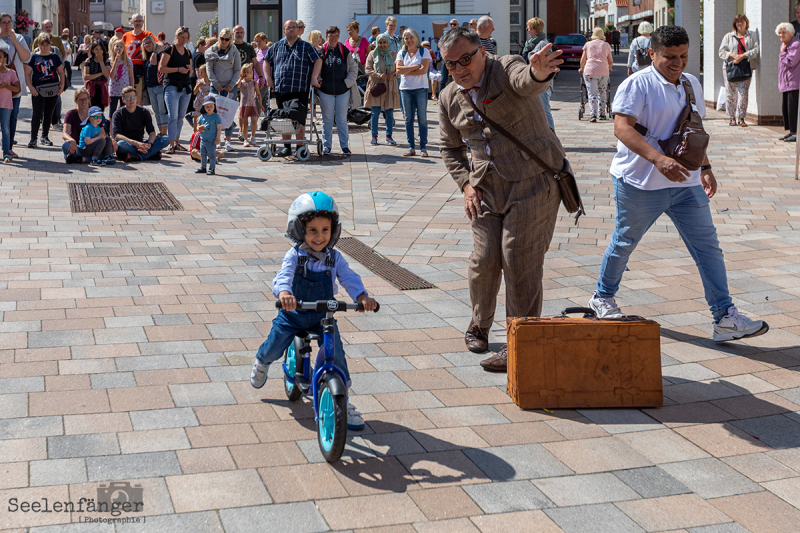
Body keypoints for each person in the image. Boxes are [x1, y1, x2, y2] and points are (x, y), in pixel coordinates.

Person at [588, 25, 768, 345]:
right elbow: (622, 128)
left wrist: (706, 168)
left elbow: (692, 129)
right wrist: (658, 159)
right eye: (670, 56)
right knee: (625, 241)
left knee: (707, 248)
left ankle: (725, 317)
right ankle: (602, 297)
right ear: (652, 53)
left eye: (684, 55)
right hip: (639, 183)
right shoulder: (637, 84)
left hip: (686, 183)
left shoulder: (691, 83)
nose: (678, 62)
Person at [437, 26, 565, 371]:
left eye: (466, 58)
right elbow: (450, 149)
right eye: (451, 64)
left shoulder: (505, 67)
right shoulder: (449, 96)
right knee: (484, 259)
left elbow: (528, 79)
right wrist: (466, 185)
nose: (460, 68)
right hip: (485, 188)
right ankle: (479, 323)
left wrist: (539, 71)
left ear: (482, 51)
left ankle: (519, 341)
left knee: (518, 258)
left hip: (532, 181)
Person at [249, 190, 377, 431]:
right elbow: (283, 276)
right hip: (293, 314)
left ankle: (344, 400)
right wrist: (284, 294)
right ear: (300, 230)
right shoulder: (294, 256)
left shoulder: (334, 258)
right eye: (313, 231)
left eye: (325, 230)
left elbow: (349, 277)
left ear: (334, 230)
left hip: (322, 317)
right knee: (276, 343)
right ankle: (262, 361)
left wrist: (361, 296)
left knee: (336, 353)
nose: (319, 237)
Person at [263, 20, 322, 157]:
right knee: (284, 119)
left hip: (300, 88)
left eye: (294, 27)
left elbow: (318, 60)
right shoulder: (276, 46)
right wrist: (269, 79)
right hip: (281, 88)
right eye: (288, 28)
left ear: (297, 30)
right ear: (284, 31)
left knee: (299, 118)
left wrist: (314, 78)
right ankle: (287, 147)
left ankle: (300, 146)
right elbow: (266, 61)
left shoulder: (306, 46)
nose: (291, 30)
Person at [318, 26, 358, 156]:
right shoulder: (321, 51)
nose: (333, 39)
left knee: (341, 119)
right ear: (326, 36)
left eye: (335, 36)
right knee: (327, 119)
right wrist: (319, 81)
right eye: (331, 36)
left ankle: (344, 146)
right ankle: (327, 146)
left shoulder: (344, 51)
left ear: (339, 37)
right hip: (325, 91)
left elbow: (353, 68)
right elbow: (315, 69)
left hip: (343, 90)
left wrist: (347, 83)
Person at [719, 15, 760, 127]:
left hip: (746, 67)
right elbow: (721, 52)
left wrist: (742, 56)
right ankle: (732, 118)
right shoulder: (729, 36)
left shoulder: (752, 35)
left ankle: (741, 118)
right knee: (730, 94)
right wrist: (733, 55)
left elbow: (756, 50)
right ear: (734, 24)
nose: (740, 24)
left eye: (742, 21)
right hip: (730, 67)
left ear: (746, 22)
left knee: (743, 94)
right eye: (737, 22)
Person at [24, 33, 64, 148]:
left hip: (53, 89)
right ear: (38, 45)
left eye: (47, 45)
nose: (45, 47)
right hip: (38, 90)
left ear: (50, 45)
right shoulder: (34, 57)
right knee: (37, 114)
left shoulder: (54, 56)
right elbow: (27, 73)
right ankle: (33, 139)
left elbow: (61, 71)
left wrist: (61, 85)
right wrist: (31, 87)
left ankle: (45, 136)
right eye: (42, 45)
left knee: (49, 114)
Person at [205, 27, 241, 152]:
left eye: (227, 39)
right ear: (219, 38)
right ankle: (216, 140)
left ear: (230, 39)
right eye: (222, 39)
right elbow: (209, 69)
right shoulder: (211, 51)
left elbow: (237, 70)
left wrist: (232, 84)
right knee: (214, 113)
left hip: (230, 87)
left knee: (228, 113)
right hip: (216, 87)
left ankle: (228, 141)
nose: (224, 41)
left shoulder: (234, 51)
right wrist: (215, 83)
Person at [112, 85, 170, 161]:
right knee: (121, 144)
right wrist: (136, 143)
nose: (131, 100)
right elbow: (117, 136)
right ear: (123, 100)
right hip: (128, 144)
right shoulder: (118, 114)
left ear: (136, 98)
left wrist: (149, 144)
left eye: (133, 97)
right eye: (128, 98)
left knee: (166, 138)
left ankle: (139, 157)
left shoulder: (144, 112)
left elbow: (152, 133)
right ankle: (150, 154)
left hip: (142, 144)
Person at [397, 29, 431, 157]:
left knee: (422, 118)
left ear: (416, 38)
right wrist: (415, 66)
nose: (409, 40)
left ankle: (423, 147)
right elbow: (398, 70)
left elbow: (423, 71)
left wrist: (406, 70)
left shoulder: (424, 51)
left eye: (411, 37)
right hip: (405, 88)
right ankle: (411, 147)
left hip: (420, 88)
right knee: (408, 119)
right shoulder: (402, 52)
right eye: (406, 38)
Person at [159, 27, 193, 154]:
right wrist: (178, 69)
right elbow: (161, 68)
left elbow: (191, 71)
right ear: (176, 36)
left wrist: (190, 70)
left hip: (185, 86)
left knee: (180, 117)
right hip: (172, 86)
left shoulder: (188, 51)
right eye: (181, 37)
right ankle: (171, 144)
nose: (183, 40)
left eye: (186, 38)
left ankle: (177, 142)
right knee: (172, 116)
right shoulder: (169, 49)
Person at [0, 13, 29, 158]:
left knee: (12, 117)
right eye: (4, 22)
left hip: (14, 83)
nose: (7, 25)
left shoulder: (19, 38)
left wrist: (14, 41)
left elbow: (26, 57)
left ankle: (8, 147)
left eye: (9, 22)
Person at [63, 88, 115, 163]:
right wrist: (72, 141)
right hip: (78, 147)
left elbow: (102, 133)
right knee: (65, 146)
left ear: (89, 99)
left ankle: (81, 159)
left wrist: (111, 139)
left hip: (95, 146)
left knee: (109, 147)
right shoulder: (70, 114)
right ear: (75, 101)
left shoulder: (95, 113)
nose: (83, 102)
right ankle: (96, 159)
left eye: (85, 99)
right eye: (80, 99)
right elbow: (65, 133)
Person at [364, 34, 399, 146]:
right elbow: (368, 69)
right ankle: (374, 136)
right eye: (380, 43)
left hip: (390, 86)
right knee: (375, 112)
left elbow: (399, 70)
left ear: (388, 43)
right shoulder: (372, 54)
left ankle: (389, 136)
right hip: (377, 85)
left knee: (389, 112)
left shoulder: (394, 55)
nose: (382, 45)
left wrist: (393, 76)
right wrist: (378, 75)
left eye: (384, 42)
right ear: (377, 43)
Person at [233, 24, 265, 141]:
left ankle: (242, 131)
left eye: (241, 32)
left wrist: (260, 76)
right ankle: (236, 129)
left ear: (244, 33)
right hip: (233, 80)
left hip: (246, 80)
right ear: (233, 34)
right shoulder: (230, 46)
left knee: (244, 106)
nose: (239, 34)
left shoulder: (248, 47)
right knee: (236, 107)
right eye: (237, 32)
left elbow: (255, 63)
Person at [523, 18, 555, 130]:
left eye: (528, 28)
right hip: (534, 83)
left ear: (532, 29)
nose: (527, 30)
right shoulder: (533, 43)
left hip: (542, 84)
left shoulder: (542, 44)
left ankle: (552, 136)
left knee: (545, 111)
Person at [579, 27, 613, 123]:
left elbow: (583, 60)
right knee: (602, 92)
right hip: (603, 72)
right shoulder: (606, 45)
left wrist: (581, 69)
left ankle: (593, 114)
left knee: (592, 93)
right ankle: (602, 114)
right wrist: (609, 68)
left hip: (590, 71)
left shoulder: (588, 44)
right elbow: (610, 60)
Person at [778, 23, 800, 143]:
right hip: (786, 82)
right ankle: (792, 131)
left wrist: (782, 52)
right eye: (779, 33)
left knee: (793, 108)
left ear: (791, 32)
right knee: (786, 108)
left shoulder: (795, 45)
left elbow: (791, 62)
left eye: (784, 32)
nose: (781, 35)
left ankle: (796, 133)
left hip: (793, 82)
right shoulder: (785, 44)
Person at [142, 36, 168, 136]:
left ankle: (164, 132)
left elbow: (162, 44)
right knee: (156, 111)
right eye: (145, 43)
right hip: (150, 87)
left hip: (159, 86)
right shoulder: (145, 57)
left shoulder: (159, 54)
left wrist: (155, 53)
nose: (147, 45)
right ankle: (161, 131)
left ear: (153, 43)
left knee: (162, 110)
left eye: (149, 43)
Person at [0, 47, 19, 163]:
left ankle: (6, 153)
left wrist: (6, 86)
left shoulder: (11, 72)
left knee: (5, 129)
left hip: (6, 104)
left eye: (0, 57)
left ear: (5, 59)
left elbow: (17, 88)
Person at [236, 63, 262, 147]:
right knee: (245, 123)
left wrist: (260, 104)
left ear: (251, 73)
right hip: (243, 105)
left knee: (254, 121)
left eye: (248, 72)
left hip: (252, 104)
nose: (246, 74)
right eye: (244, 72)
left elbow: (258, 94)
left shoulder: (254, 82)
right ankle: (245, 139)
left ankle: (253, 136)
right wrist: (240, 78)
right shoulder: (241, 82)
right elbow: (238, 86)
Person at [107, 37, 134, 116]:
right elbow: (111, 76)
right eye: (117, 46)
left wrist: (131, 89)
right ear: (113, 48)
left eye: (121, 46)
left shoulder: (128, 61)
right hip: (114, 90)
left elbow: (131, 76)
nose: (119, 48)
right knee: (112, 111)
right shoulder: (110, 60)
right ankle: (112, 127)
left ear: (124, 49)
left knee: (124, 111)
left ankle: (123, 127)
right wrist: (115, 62)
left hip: (125, 89)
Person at [196, 95, 221, 175]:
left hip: (211, 140)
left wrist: (217, 138)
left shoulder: (216, 117)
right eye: (207, 106)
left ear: (214, 106)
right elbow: (198, 125)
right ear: (204, 107)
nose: (209, 108)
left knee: (211, 155)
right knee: (202, 154)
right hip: (203, 139)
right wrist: (198, 128)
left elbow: (219, 128)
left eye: (211, 106)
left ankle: (212, 168)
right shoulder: (202, 116)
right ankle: (203, 167)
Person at [83, 40, 110, 110]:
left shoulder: (106, 61)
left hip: (102, 88)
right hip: (91, 88)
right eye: (96, 49)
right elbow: (86, 76)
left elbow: (107, 74)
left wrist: (101, 61)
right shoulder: (88, 60)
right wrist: (101, 73)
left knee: (100, 109)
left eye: (100, 49)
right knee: (91, 108)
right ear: (92, 50)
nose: (99, 51)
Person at [189, 38, 207, 119]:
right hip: (196, 78)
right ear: (200, 45)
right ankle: (192, 114)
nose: (205, 48)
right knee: (198, 97)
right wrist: (200, 80)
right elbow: (197, 69)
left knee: (195, 98)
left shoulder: (194, 54)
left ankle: (193, 113)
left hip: (192, 77)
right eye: (204, 46)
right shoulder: (200, 56)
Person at [193, 64, 212, 131]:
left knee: (205, 119)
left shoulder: (211, 82)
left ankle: (204, 133)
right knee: (196, 119)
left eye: (202, 72)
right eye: (200, 72)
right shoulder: (199, 81)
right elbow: (194, 92)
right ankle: (195, 133)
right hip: (199, 101)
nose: (200, 74)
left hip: (206, 102)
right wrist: (198, 86)